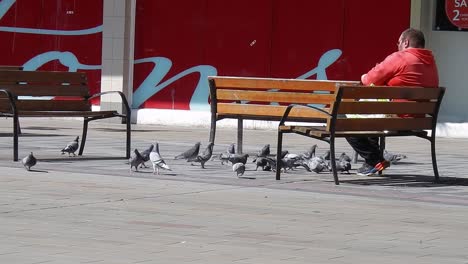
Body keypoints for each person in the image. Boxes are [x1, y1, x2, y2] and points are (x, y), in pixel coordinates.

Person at [347, 28, 439, 176]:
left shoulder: (401, 57)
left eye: (398, 43)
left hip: (396, 119)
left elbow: (369, 79)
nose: (397, 46)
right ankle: (373, 162)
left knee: (347, 124)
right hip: (420, 121)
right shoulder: (431, 63)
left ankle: (373, 160)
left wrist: (364, 77)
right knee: (372, 114)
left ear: (406, 42)